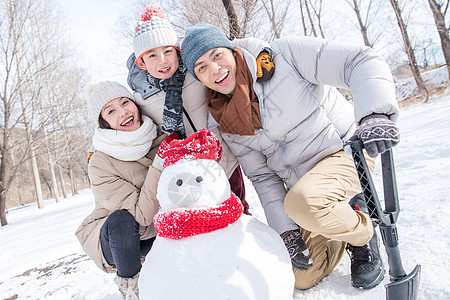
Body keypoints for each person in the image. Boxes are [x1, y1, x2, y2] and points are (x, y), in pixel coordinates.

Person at [180, 22, 400, 290]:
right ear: (198, 78)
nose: (214, 70)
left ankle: (363, 235)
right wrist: (287, 232)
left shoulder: (285, 55)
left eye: (217, 55)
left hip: (344, 154)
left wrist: (373, 113)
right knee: (300, 276)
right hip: (304, 188)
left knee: (303, 202)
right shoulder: (225, 119)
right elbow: (262, 177)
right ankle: (343, 216)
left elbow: (358, 60)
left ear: (232, 49)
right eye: (201, 67)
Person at [126, 4, 275, 214]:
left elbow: (230, 47)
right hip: (186, 173)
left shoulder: (196, 71)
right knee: (205, 223)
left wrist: (261, 52)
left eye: (168, 51)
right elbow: (123, 119)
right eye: (152, 55)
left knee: (239, 210)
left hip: (222, 159)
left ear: (177, 50)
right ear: (141, 63)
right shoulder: (141, 97)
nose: (163, 60)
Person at [75, 81, 166, 299]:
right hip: (119, 237)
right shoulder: (100, 162)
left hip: (158, 227)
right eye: (111, 111)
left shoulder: (159, 135)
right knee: (121, 220)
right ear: (103, 122)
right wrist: (161, 163)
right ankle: (131, 288)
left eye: (125, 102)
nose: (123, 112)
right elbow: (141, 216)